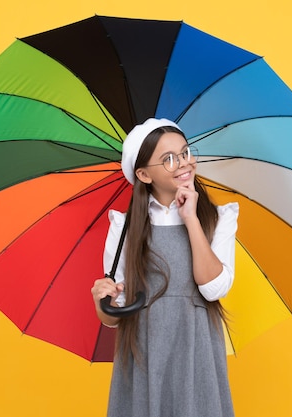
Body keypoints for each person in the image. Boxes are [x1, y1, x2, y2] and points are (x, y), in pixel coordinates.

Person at [91, 118, 238, 417]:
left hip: (196, 347)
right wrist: (102, 300)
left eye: (185, 153)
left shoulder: (219, 218)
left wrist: (191, 219)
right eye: (168, 160)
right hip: (143, 350)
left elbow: (213, 288)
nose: (183, 164)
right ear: (144, 174)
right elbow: (113, 316)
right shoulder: (125, 227)